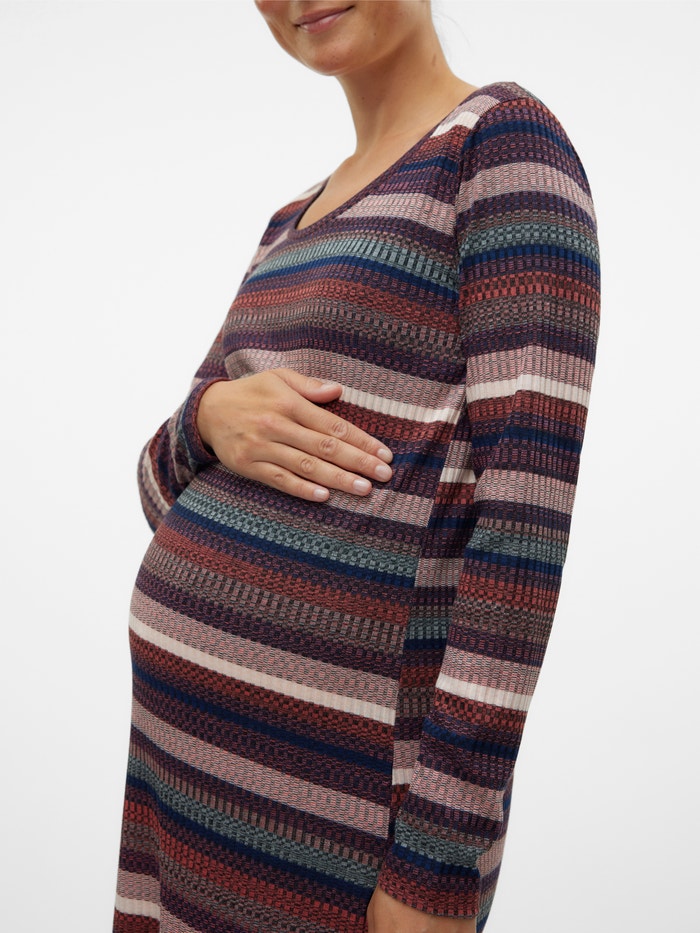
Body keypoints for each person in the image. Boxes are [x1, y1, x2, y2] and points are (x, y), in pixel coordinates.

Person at [113, 2, 600, 931]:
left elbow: (523, 529)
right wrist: (209, 417)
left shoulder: (498, 147)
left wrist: (438, 865)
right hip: (185, 782)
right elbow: (156, 488)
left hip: (341, 817)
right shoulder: (287, 224)